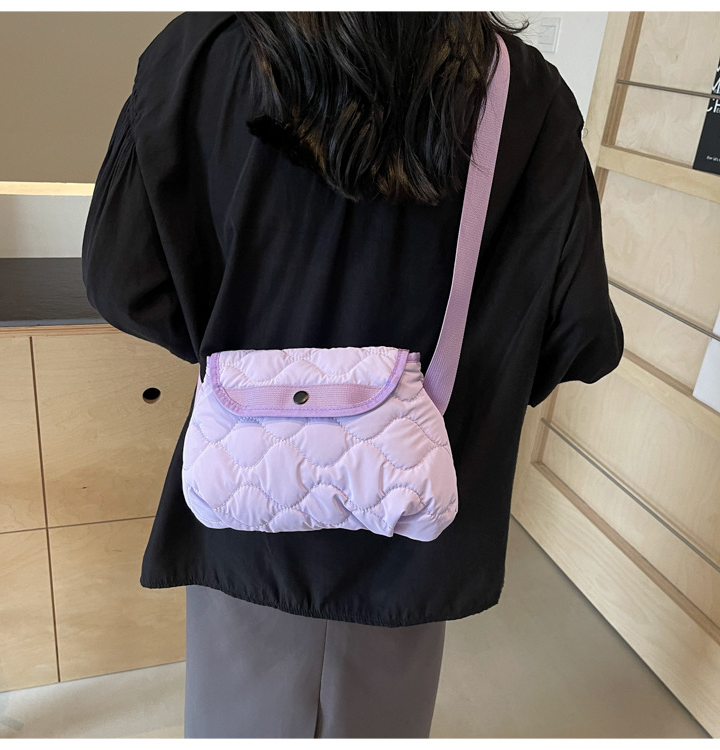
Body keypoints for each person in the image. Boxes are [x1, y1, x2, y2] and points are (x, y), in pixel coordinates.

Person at [81, 12, 624, 739]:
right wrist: (461, 387)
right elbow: (579, 337)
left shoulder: (198, 53)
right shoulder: (523, 92)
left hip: (249, 502)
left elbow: (122, 282)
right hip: (409, 523)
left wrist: (260, 381)